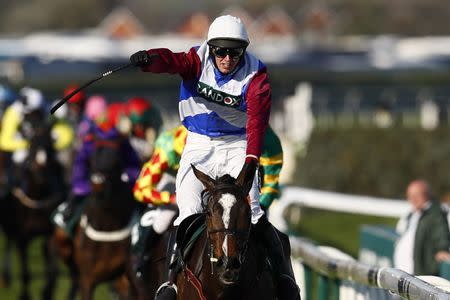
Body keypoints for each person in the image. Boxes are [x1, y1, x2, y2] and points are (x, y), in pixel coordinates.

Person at [130, 15, 299, 299]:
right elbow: (171, 61)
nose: (227, 58)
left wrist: (251, 159)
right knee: (187, 210)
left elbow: (257, 122)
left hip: (238, 144)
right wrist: (150, 59)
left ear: (243, 51)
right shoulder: (197, 60)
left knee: (254, 213)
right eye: (220, 51)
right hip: (199, 144)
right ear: (211, 48)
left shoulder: (256, 76)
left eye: (234, 52)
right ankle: (170, 282)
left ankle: (284, 279)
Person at [131, 124, 283, 279]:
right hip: (182, 179)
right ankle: (146, 260)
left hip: (235, 183)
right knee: (164, 219)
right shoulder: (169, 145)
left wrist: (258, 205)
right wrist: (171, 199)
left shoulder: (268, 142)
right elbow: (140, 189)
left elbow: (271, 182)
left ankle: (282, 279)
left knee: (258, 222)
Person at [53, 106, 142, 234]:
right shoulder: (92, 140)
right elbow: (80, 164)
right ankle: (67, 224)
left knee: (139, 209)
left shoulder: (122, 141)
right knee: (71, 211)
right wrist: (82, 184)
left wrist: (127, 177)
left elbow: (133, 166)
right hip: (92, 186)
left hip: (118, 187)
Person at [394, 180, 450, 275]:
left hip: (423, 275)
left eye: (417, 195)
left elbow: (441, 232)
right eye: (410, 196)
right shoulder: (412, 214)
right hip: (406, 273)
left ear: (427, 194)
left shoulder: (436, 213)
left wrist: (442, 249)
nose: (412, 199)